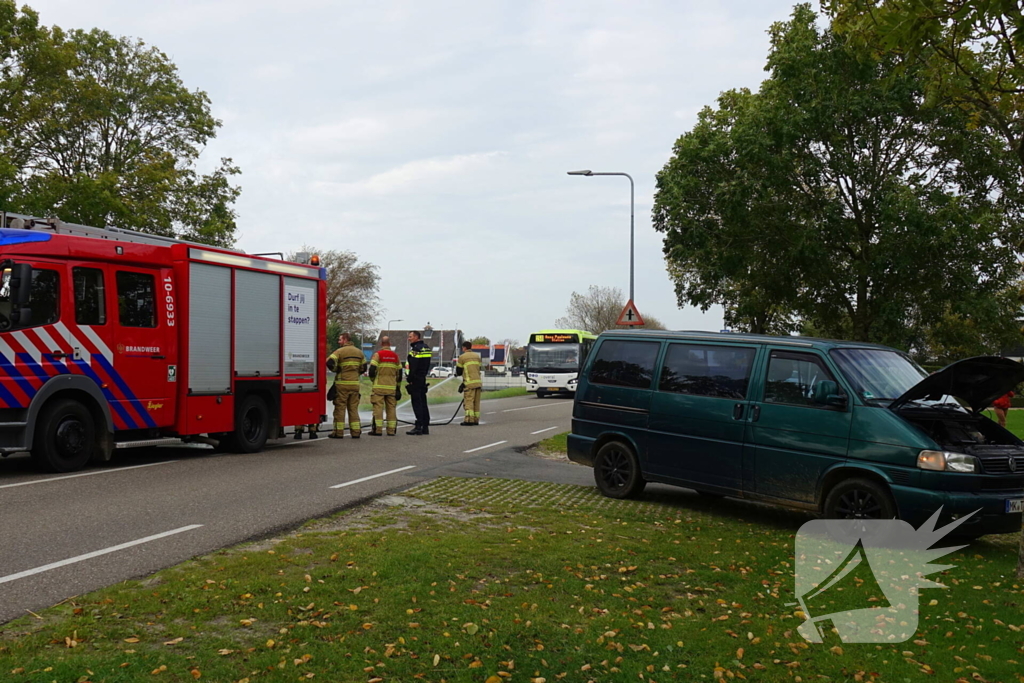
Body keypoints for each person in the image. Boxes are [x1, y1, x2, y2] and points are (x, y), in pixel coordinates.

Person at [326, 332, 366, 438]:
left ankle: (338, 432)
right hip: (355, 385)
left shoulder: (339, 351)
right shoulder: (359, 352)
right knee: (353, 409)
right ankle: (356, 432)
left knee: (340, 409)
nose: (339, 342)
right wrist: (356, 374)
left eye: (340, 340)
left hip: (342, 384)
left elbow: (329, 362)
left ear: (344, 340)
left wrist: (336, 370)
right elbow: (364, 367)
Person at [368, 336, 403, 436]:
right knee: (391, 409)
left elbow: (371, 370)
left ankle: (378, 430)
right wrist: (398, 387)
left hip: (379, 387)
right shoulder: (395, 356)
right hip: (391, 387)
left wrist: (373, 380)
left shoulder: (378, 355)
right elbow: (399, 373)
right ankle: (391, 430)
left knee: (378, 408)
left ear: (381, 344)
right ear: (390, 344)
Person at [406, 330, 432, 435]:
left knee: (417, 403)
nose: (409, 338)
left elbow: (413, 366)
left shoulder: (416, 350)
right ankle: (425, 426)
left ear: (417, 337)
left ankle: (418, 426)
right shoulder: (426, 348)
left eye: (411, 336)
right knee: (423, 402)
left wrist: (410, 379)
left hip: (416, 379)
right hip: (423, 378)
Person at [456, 340, 483, 426]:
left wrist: (463, 382)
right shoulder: (477, 356)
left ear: (464, 348)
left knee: (469, 402)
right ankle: (475, 419)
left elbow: (459, 372)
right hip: (478, 383)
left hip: (469, 383)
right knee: (476, 402)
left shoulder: (462, 357)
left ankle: (468, 420)